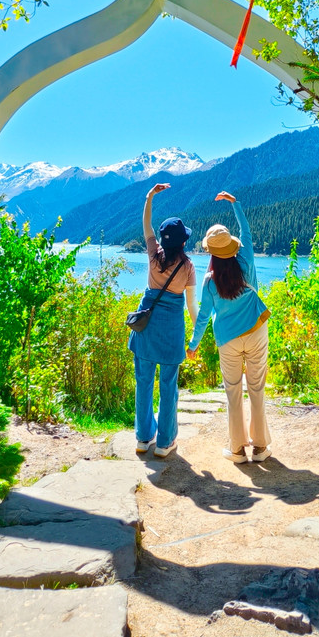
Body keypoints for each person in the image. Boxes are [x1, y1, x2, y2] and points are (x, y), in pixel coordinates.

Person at [187, 192, 271, 463]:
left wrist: (193, 345)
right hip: (256, 332)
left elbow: (203, 317)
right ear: (232, 245)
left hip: (228, 341)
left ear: (210, 252)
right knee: (257, 389)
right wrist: (235, 203)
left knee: (233, 392)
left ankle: (237, 450)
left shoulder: (210, 281)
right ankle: (260, 448)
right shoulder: (246, 261)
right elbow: (247, 232)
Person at [128, 183, 198, 458]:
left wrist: (150, 197)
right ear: (182, 242)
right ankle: (165, 442)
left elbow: (146, 225)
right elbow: (191, 305)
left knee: (143, 383)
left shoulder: (153, 255)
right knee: (168, 387)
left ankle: (143, 438)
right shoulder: (188, 266)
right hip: (171, 332)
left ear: (162, 240)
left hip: (145, 329)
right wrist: (196, 337)